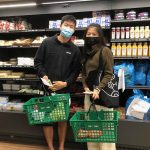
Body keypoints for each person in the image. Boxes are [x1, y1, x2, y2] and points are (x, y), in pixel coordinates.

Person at [34, 15, 81, 150]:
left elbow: (76, 71)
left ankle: (61, 147)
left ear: (74, 29)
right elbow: (38, 62)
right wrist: (44, 76)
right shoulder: (47, 43)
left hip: (64, 91)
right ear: (60, 26)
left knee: (62, 120)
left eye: (71, 27)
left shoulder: (75, 50)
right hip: (47, 89)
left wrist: (65, 83)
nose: (68, 28)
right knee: (47, 120)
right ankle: (50, 147)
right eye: (66, 25)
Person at [82, 23, 115, 150]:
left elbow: (109, 73)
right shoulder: (86, 52)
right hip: (89, 96)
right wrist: (85, 87)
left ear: (100, 36)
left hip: (103, 94)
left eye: (94, 34)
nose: (90, 36)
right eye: (88, 34)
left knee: (105, 130)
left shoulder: (105, 51)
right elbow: (84, 73)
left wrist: (98, 88)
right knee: (92, 128)